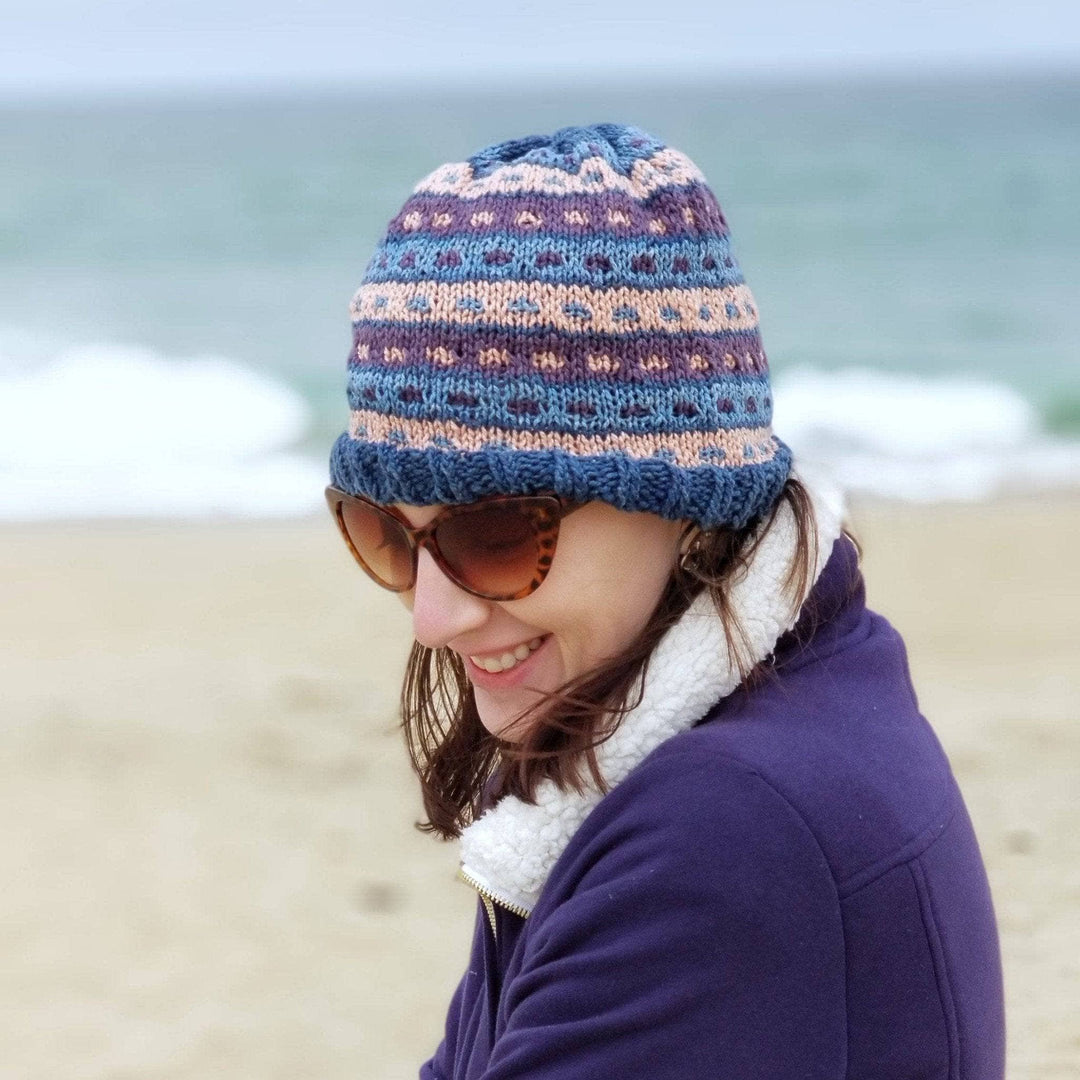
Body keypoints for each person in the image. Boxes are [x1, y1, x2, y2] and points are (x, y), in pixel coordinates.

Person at [325, 123, 1005, 1079]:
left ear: (684, 503)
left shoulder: (721, 832)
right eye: (389, 531)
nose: (433, 618)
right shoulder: (680, 723)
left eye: (497, 532)